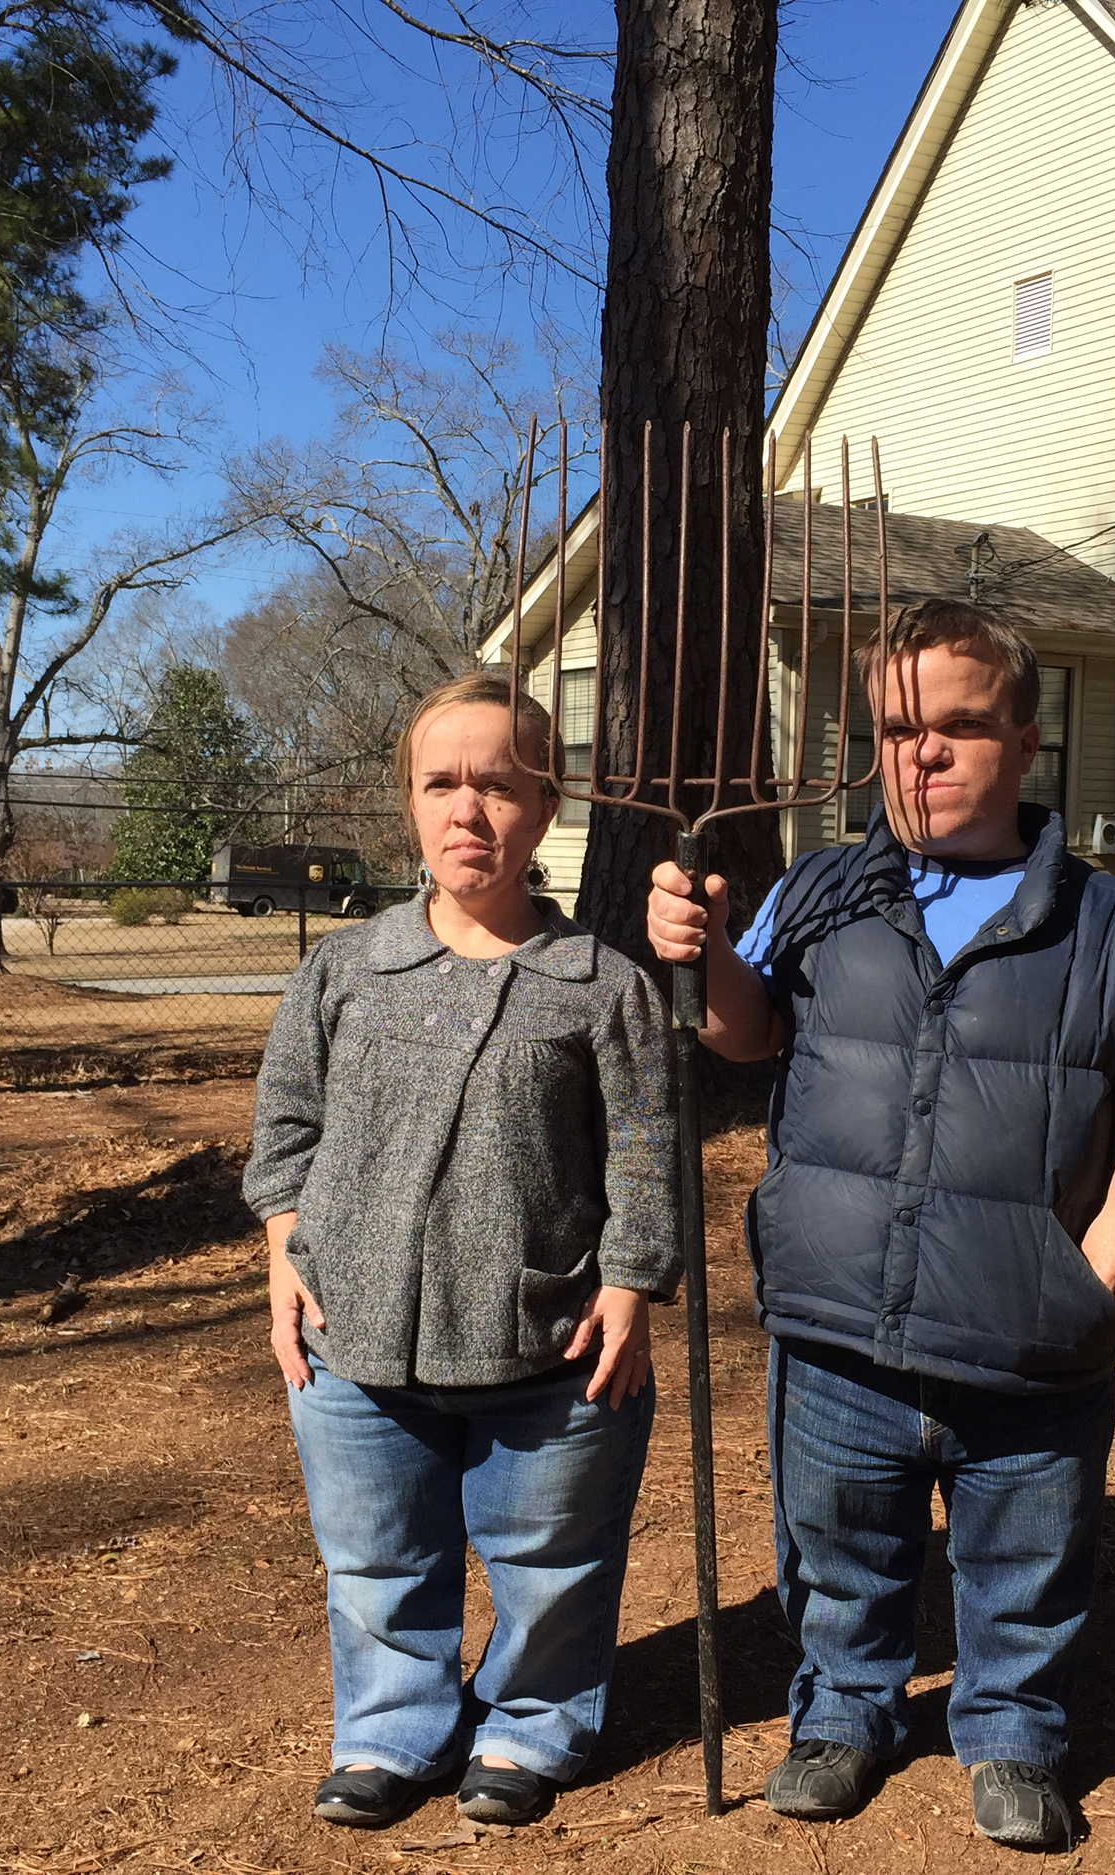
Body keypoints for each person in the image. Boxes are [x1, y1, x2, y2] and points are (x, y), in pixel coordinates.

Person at [648, 597, 1115, 1852]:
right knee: (839, 1540)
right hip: (837, 1312)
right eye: (896, 728)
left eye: (957, 726)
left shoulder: (1108, 924)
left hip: (1026, 1321)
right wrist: (704, 949)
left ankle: (1013, 1732)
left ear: (1023, 740)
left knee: (1026, 1554)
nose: (923, 754)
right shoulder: (827, 891)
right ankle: (845, 1709)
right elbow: (746, 1032)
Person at [245, 674, 677, 1831]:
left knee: (551, 1563)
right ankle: (391, 1733)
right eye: (442, 783)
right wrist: (286, 1250)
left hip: (550, 1338)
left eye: (498, 785)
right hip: (355, 1338)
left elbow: (645, 1153)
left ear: (544, 810)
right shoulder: (344, 971)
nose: (467, 811)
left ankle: (531, 1727)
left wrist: (633, 1285)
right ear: (408, 804)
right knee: (378, 1562)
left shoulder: (602, 985)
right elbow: (285, 1131)